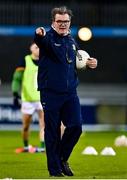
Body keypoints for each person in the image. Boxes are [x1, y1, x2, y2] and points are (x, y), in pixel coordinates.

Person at [34, 6, 97, 176]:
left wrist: (89, 62)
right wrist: (39, 33)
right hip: (50, 93)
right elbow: (40, 38)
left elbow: (77, 60)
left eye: (66, 21)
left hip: (70, 93)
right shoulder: (47, 38)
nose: (63, 24)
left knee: (76, 126)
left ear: (70, 22)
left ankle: (61, 158)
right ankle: (54, 170)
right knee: (52, 132)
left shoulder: (71, 40)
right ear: (53, 23)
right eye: (59, 21)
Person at [11, 42, 45, 153]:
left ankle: (43, 147)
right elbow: (17, 78)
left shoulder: (46, 60)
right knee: (26, 126)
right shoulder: (25, 60)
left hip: (42, 97)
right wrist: (15, 94)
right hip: (27, 99)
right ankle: (26, 146)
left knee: (44, 124)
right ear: (31, 48)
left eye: (40, 47)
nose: (38, 49)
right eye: (36, 47)